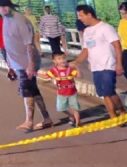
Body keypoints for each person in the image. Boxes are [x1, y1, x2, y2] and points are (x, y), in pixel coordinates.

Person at [1, 0, 52, 131]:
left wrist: (31, 64)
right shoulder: (6, 19)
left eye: (4, 5)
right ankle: (47, 118)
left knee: (26, 90)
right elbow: (8, 43)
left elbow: (29, 44)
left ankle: (29, 121)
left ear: (11, 6)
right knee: (33, 90)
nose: (3, 9)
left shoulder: (20, 20)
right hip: (17, 63)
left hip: (26, 62)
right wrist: (10, 66)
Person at [71, 5, 124, 118]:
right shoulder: (87, 31)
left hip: (108, 65)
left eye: (81, 15)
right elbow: (86, 50)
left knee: (109, 91)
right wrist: (76, 62)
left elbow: (117, 46)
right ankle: (113, 116)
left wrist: (119, 64)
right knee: (104, 93)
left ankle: (122, 110)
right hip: (95, 67)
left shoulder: (106, 28)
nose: (80, 18)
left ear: (89, 14)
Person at [42, 51, 81, 127]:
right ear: (54, 61)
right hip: (61, 93)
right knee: (61, 108)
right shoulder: (53, 70)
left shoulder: (70, 69)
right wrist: (35, 73)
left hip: (72, 92)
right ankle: (71, 115)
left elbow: (79, 76)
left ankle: (78, 122)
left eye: (63, 58)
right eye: (59, 59)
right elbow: (46, 76)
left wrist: (77, 67)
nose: (62, 60)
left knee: (75, 108)